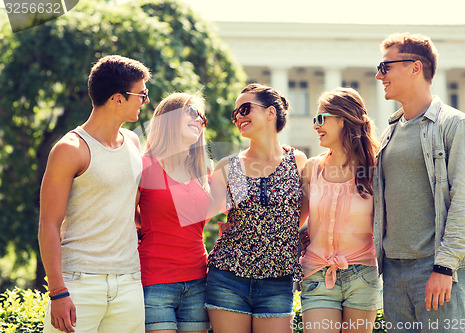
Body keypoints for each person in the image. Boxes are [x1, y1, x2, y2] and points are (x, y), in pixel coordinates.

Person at [374, 33, 465, 332]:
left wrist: (444, 266)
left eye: (385, 66)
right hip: (394, 272)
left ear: (415, 67)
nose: (378, 75)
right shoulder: (389, 133)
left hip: (434, 267)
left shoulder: (454, 124)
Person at [38, 55, 151, 333]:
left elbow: (130, 207)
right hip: (78, 283)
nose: (145, 101)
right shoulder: (70, 149)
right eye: (142, 94)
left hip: (128, 281)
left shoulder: (134, 143)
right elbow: (48, 225)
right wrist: (58, 292)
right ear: (118, 99)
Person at [205, 83, 307, 333]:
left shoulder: (298, 161)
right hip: (228, 277)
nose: (239, 116)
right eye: (235, 113)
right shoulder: (227, 166)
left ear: (271, 112)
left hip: (277, 281)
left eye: (245, 108)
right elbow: (201, 215)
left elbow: (302, 213)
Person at [299, 88, 382, 333]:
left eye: (320, 118)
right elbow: (293, 220)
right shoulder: (313, 168)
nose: (316, 126)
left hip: (363, 276)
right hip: (317, 274)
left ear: (343, 119)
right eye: (314, 119)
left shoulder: (376, 168)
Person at [137, 92, 211, 333]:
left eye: (202, 117)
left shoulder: (204, 172)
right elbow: (124, 220)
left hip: (199, 282)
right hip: (156, 283)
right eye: (192, 112)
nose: (199, 120)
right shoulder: (144, 165)